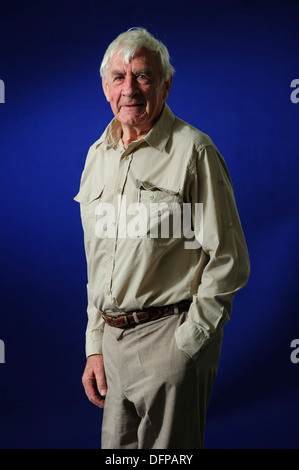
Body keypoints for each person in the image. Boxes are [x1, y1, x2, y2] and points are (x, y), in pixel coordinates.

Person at [74, 27, 250, 449]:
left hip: (168, 339)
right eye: (119, 77)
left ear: (166, 84)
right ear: (105, 87)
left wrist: (187, 346)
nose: (129, 89)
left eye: (143, 76)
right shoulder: (97, 156)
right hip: (111, 343)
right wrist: (94, 345)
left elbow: (229, 259)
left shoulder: (194, 152)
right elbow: (100, 264)